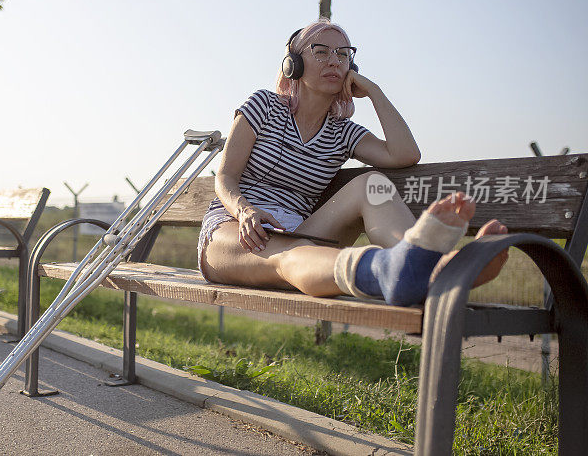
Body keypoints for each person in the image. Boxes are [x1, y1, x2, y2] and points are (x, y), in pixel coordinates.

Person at [198, 18, 509, 306]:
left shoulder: (342, 133)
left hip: (300, 232)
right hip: (236, 230)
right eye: (321, 52)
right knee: (291, 256)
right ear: (294, 64)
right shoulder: (262, 105)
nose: (335, 60)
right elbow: (225, 176)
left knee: (370, 184)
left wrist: (374, 91)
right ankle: (389, 271)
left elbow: (405, 154)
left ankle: (422, 259)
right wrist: (244, 211)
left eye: (344, 54)